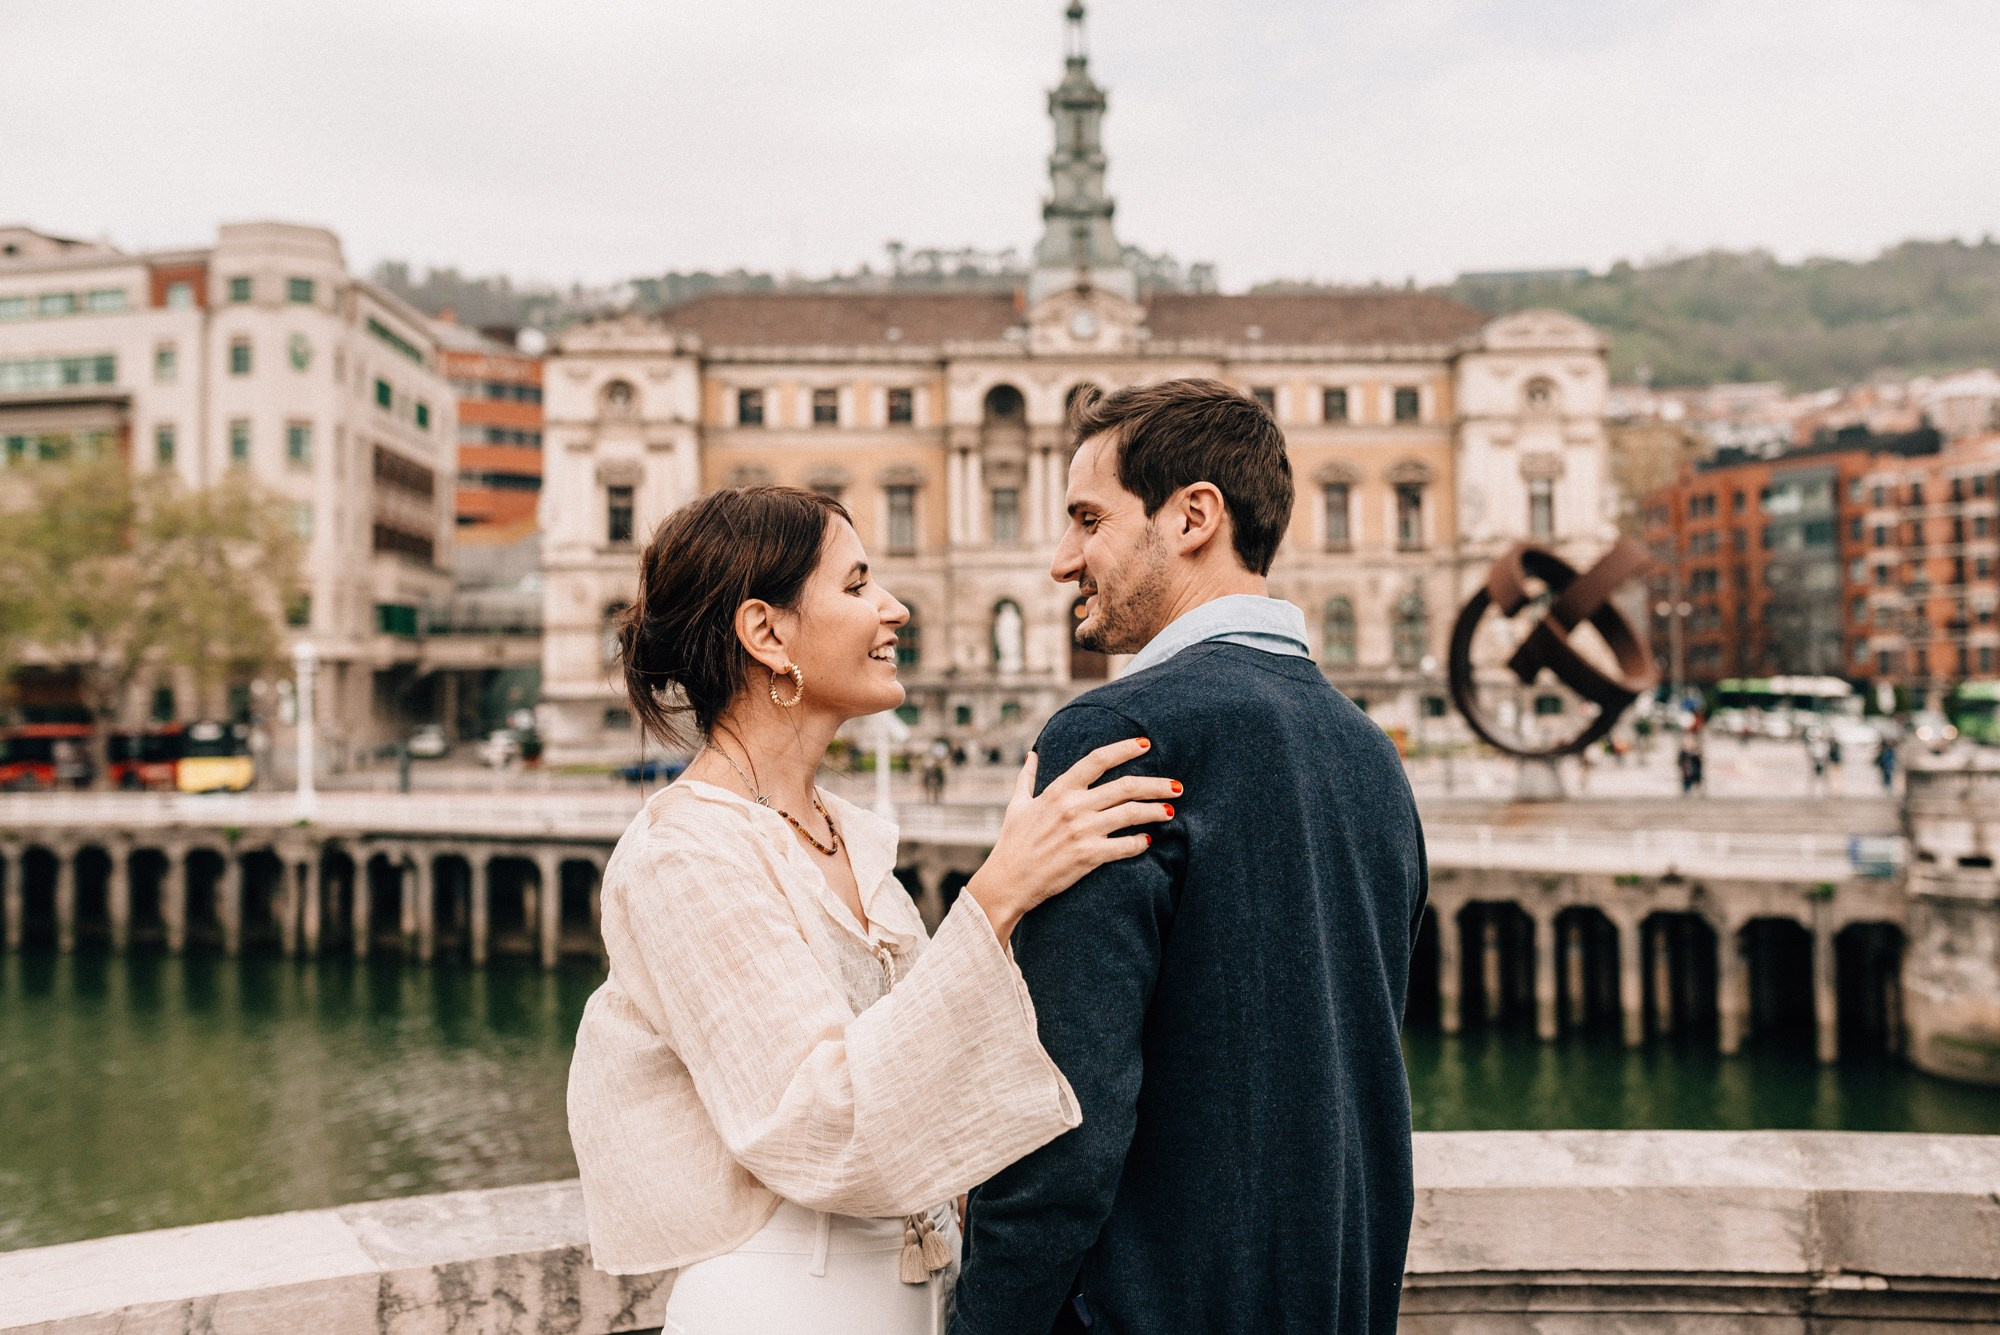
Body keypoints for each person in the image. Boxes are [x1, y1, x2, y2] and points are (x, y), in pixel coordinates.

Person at [566, 486, 1178, 1335]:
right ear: (766, 632)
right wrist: (997, 894)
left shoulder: (844, 836)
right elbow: (822, 1124)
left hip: (914, 1293)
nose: (892, 610)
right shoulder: (684, 854)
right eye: (856, 586)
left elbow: (946, 1067)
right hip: (785, 1300)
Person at [951, 379, 1429, 1335]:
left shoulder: (1121, 730)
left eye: (1089, 518)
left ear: (1192, 516)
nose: (1061, 560)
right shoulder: (1370, 752)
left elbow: (1059, 1113)